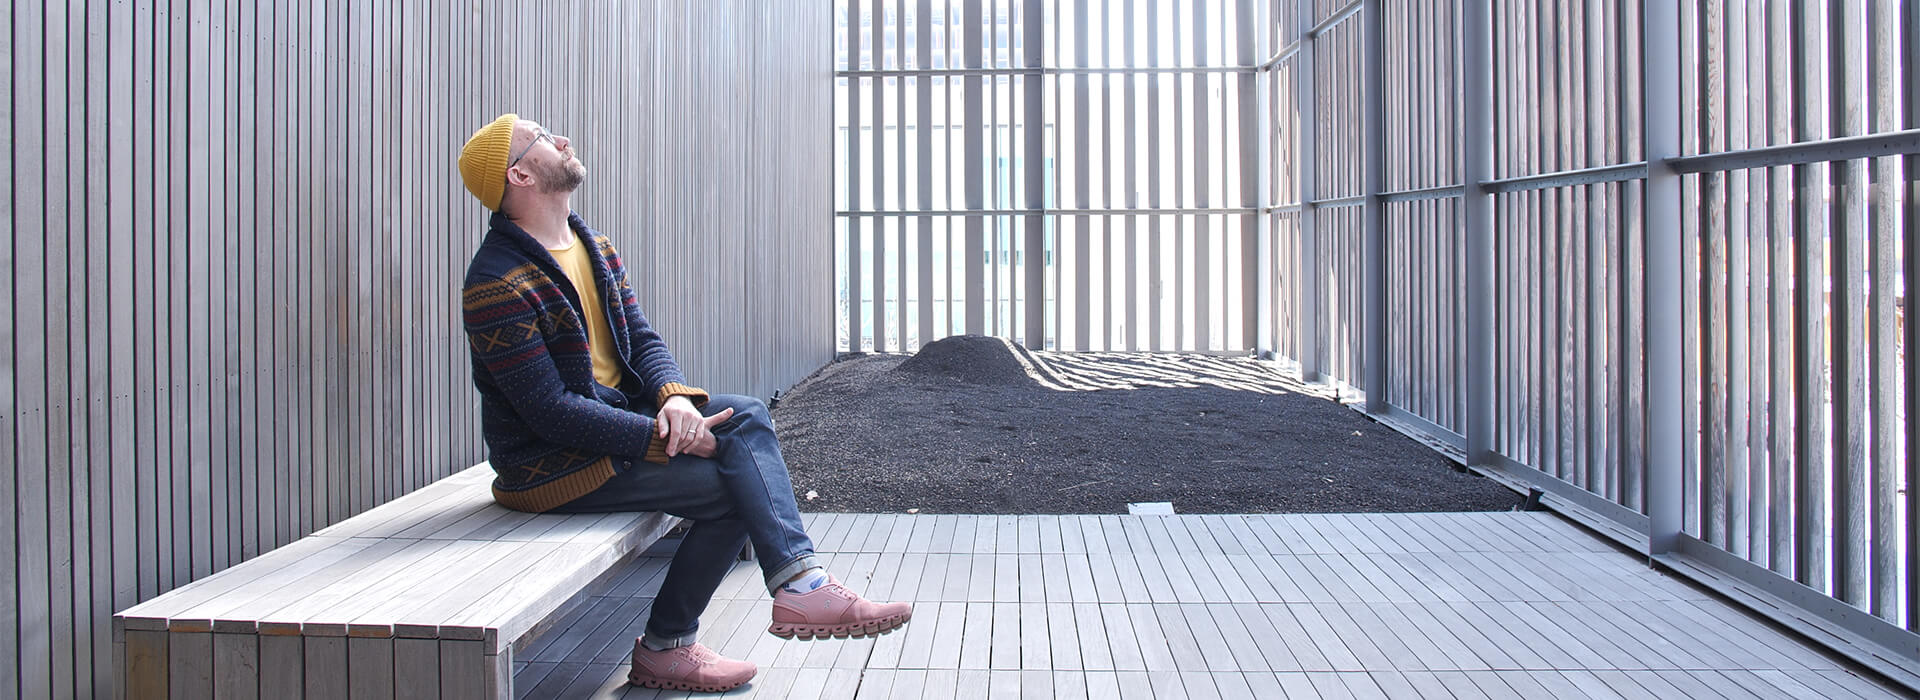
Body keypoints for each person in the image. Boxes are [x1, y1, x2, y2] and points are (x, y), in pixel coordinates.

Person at [456, 113, 909, 693]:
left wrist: (673, 401)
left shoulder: (590, 243)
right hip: (553, 465)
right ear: (519, 173)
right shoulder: (495, 281)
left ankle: (801, 584)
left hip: (618, 425)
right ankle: (673, 643)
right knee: (732, 493)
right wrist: (658, 436)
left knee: (745, 412)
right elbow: (550, 412)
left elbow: (641, 339)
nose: (562, 138)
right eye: (542, 137)